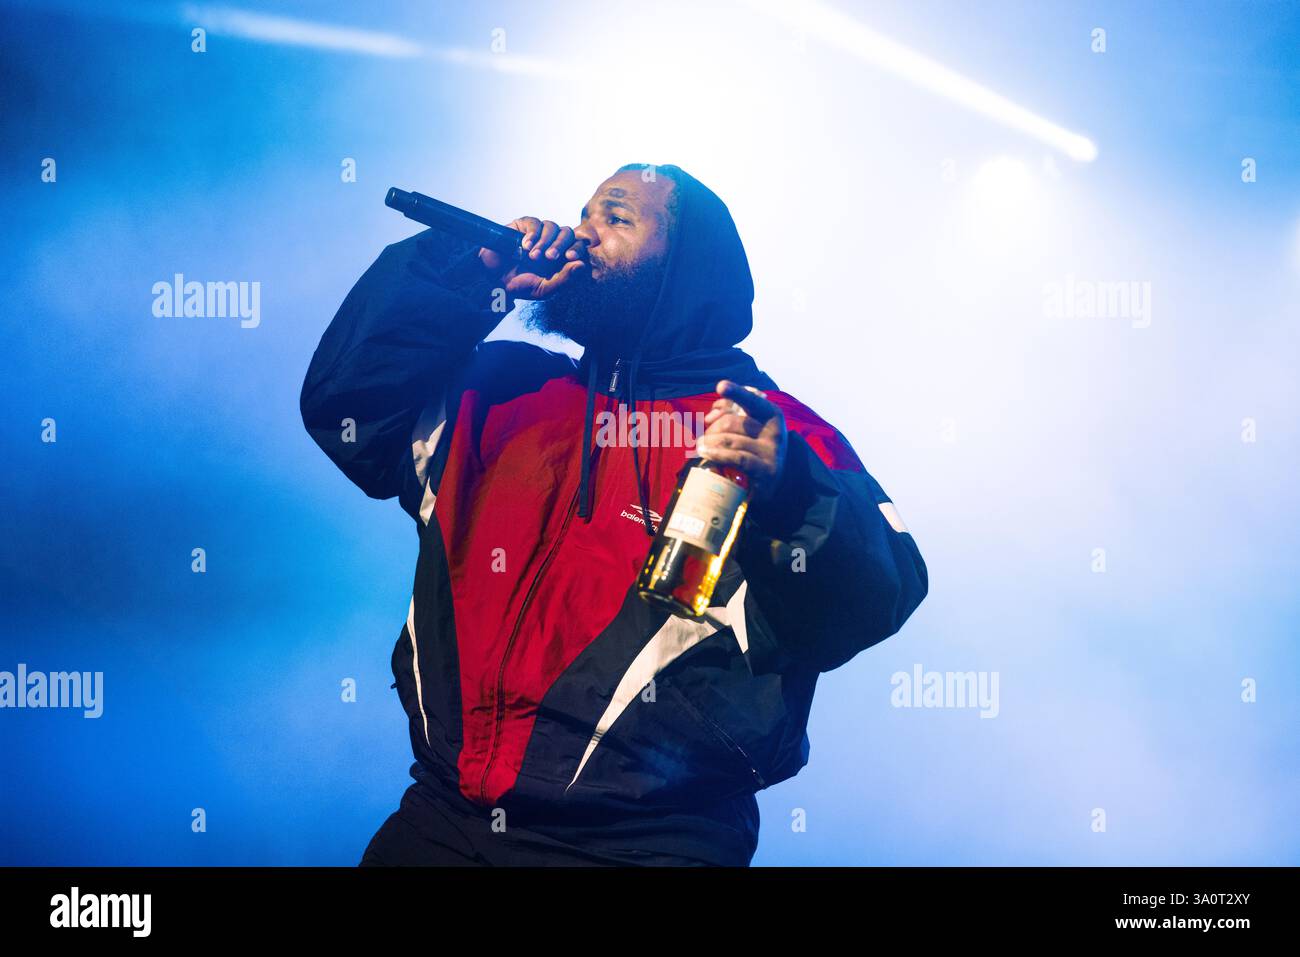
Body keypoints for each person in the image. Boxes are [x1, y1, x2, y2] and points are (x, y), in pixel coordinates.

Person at [300, 163, 928, 866]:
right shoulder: (500, 387)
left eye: (617, 218)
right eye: (585, 211)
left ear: (686, 271)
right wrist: (467, 276)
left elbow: (873, 599)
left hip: (645, 844)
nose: (580, 233)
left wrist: (787, 491)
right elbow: (345, 407)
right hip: (442, 818)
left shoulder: (765, 431)